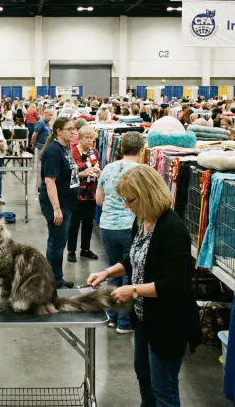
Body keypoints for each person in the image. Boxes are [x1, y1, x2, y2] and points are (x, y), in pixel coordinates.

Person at [87, 165, 202, 406]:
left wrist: (134, 290)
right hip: (145, 319)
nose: (127, 206)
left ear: (147, 195)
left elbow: (175, 283)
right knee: (144, 377)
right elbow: (133, 260)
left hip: (169, 323)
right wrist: (106, 272)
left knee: (163, 389)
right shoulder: (142, 222)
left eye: (130, 200)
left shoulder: (171, 229)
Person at [96, 132, 144, 335]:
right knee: (129, 273)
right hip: (128, 227)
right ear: (141, 151)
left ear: (121, 148)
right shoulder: (141, 171)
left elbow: (99, 200)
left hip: (106, 226)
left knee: (112, 271)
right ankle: (124, 323)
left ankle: (111, 317)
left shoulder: (108, 168)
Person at [40, 117, 95, 289]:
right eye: (69, 129)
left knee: (58, 242)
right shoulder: (53, 151)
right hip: (58, 205)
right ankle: (53, 281)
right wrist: (57, 209)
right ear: (58, 131)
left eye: (74, 129)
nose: (73, 132)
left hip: (66, 204)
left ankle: (57, 277)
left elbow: (67, 175)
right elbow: (49, 181)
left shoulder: (65, 149)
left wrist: (84, 172)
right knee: (57, 243)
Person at [67, 125, 101, 263]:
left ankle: (85, 249)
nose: (89, 140)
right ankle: (71, 251)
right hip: (77, 192)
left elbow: (98, 165)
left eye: (91, 138)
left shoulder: (95, 151)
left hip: (91, 192)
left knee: (88, 222)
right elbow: (72, 170)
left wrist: (99, 171)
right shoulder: (74, 151)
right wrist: (86, 170)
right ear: (80, 138)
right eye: (86, 138)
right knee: (74, 223)